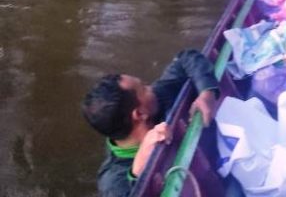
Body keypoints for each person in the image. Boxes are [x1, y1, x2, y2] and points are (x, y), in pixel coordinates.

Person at [82, 49, 219, 197]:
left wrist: (207, 92)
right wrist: (137, 174)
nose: (151, 88)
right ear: (140, 114)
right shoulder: (113, 181)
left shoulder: (158, 97)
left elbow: (185, 57)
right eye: (144, 88)